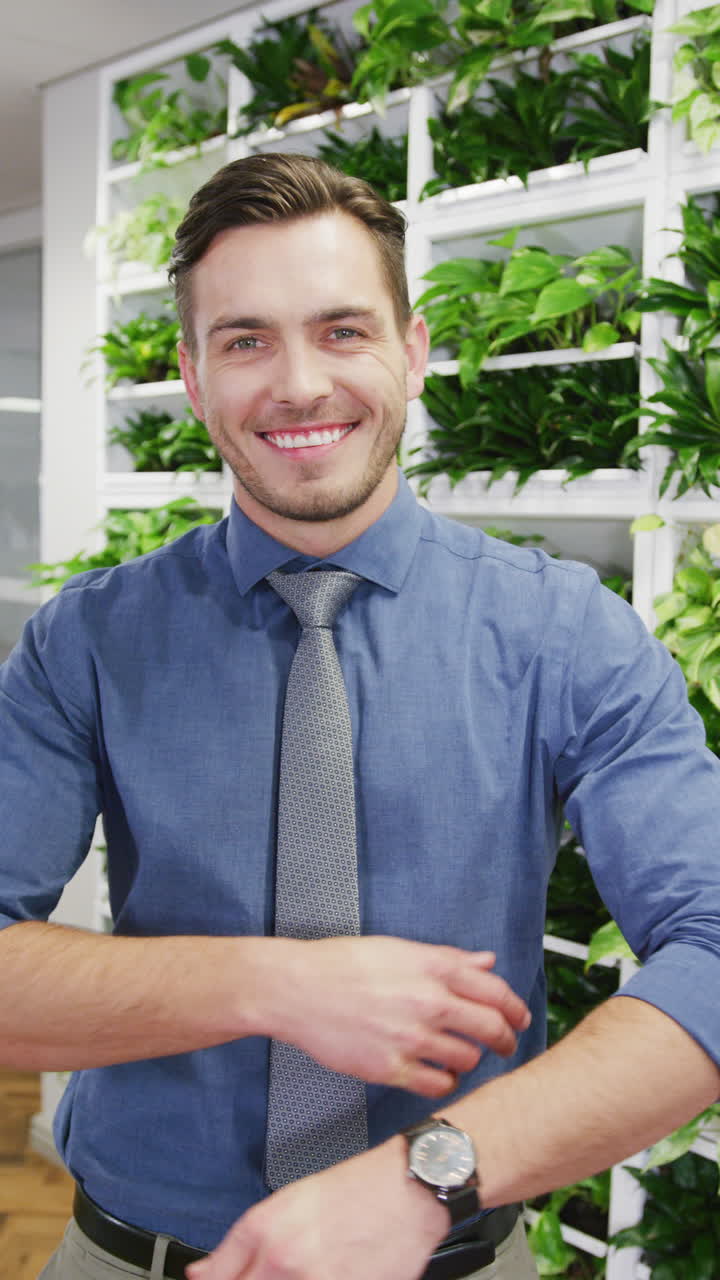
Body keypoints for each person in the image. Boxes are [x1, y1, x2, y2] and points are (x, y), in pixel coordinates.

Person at [0, 152, 718, 1280]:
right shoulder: (87, 640)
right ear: (192, 378)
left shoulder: (565, 633)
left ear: (413, 349)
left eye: (342, 330)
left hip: (457, 1250)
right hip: (130, 1255)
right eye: (245, 340)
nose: (297, 383)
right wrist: (274, 982)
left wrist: (424, 1175)